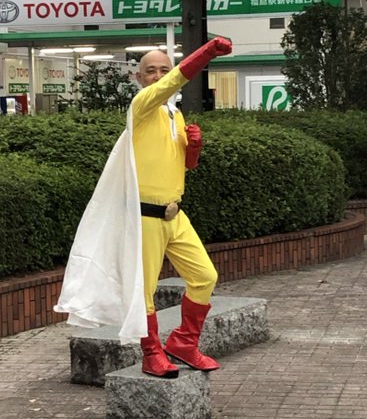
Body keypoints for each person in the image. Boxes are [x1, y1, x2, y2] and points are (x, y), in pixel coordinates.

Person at [54, 36, 233, 379]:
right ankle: (151, 353)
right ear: (138, 78)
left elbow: (182, 166)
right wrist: (207, 52)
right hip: (145, 216)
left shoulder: (174, 115)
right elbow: (174, 82)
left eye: (163, 69)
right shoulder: (142, 105)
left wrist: (193, 149)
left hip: (174, 214)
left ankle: (184, 343)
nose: (158, 76)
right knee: (144, 290)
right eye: (150, 71)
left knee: (205, 276)